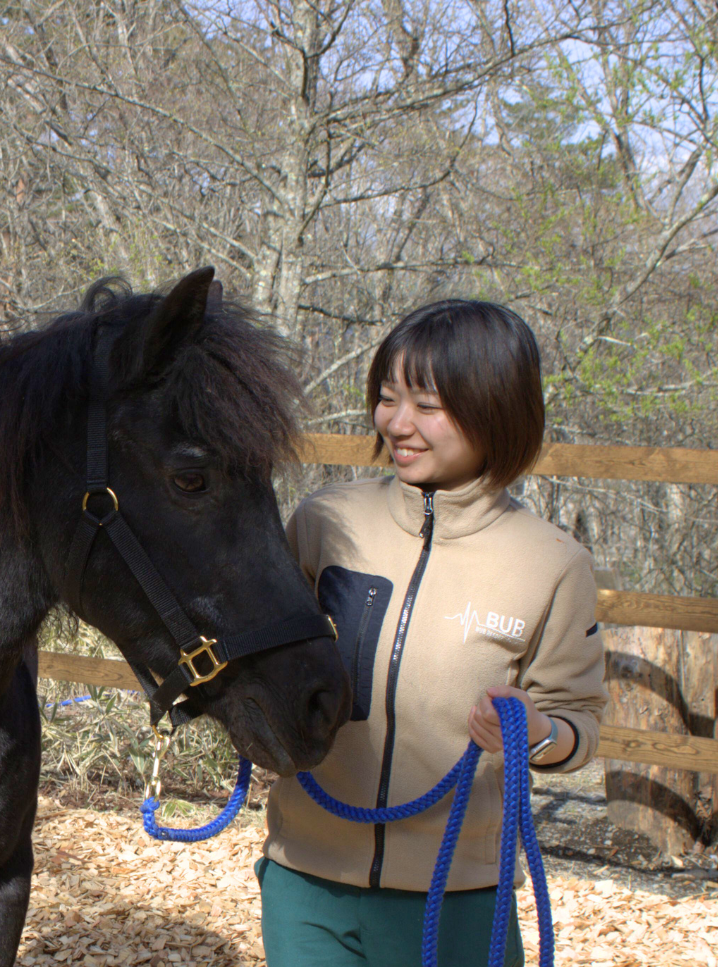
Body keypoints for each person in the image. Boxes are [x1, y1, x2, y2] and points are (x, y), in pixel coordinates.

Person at [259, 299, 607, 967]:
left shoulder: (552, 563)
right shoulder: (325, 520)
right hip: (305, 881)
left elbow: (578, 726)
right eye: (387, 398)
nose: (397, 423)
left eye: (427, 405)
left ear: (496, 409)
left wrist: (534, 728)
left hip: (459, 898)